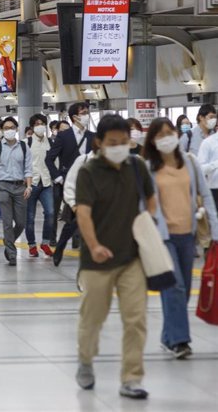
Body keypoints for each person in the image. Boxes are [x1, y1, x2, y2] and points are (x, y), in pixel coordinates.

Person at [75, 114, 155, 400]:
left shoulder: (136, 166)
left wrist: (147, 226)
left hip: (132, 256)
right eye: (113, 143)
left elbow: (151, 198)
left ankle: (132, 378)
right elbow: (82, 213)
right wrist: (94, 245)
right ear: (99, 143)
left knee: (136, 318)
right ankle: (85, 360)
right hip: (96, 260)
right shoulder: (89, 171)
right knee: (93, 318)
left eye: (124, 142)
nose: (120, 147)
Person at [144, 117, 218, 359]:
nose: (166, 137)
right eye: (160, 134)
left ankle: (168, 336)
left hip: (188, 235)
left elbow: (205, 197)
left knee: (182, 290)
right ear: (153, 140)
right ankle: (180, 341)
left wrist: (215, 231)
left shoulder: (189, 162)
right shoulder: (148, 167)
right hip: (163, 237)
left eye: (169, 132)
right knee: (174, 287)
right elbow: (143, 204)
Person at [0, 117, 33, 266]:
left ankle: (8, 240)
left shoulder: (24, 147)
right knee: (7, 221)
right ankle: (11, 252)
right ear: (2, 130)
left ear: (16, 129)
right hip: (2, 186)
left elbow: (28, 169)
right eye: (6, 128)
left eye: (12, 127)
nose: (9, 130)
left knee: (21, 222)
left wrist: (29, 186)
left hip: (20, 187)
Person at [47, 103, 94, 251]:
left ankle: (77, 241)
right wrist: (57, 177)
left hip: (84, 181)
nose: (87, 115)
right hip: (63, 179)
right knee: (54, 211)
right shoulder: (63, 136)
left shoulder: (92, 136)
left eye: (87, 112)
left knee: (80, 210)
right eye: (84, 113)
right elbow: (49, 159)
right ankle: (52, 238)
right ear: (75, 117)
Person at [25, 114, 56, 258]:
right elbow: (22, 163)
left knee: (50, 213)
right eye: (37, 124)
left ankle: (45, 242)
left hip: (47, 183)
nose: (40, 126)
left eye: (43, 123)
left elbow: (54, 161)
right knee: (30, 217)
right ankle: (32, 245)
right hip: (32, 183)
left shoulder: (50, 142)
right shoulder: (26, 142)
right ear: (32, 127)